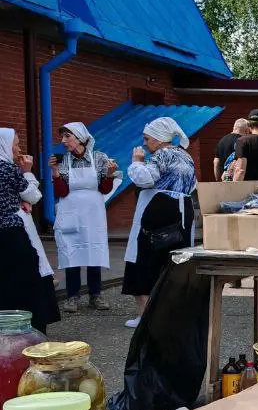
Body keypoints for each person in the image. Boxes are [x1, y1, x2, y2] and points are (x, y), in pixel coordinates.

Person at [122, 118, 196, 328]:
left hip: (158, 212)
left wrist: (137, 162)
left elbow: (146, 179)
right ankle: (171, 314)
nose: (144, 144)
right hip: (182, 213)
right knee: (173, 264)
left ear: (158, 138)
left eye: (147, 139)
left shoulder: (162, 154)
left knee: (141, 262)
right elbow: (192, 184)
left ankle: (146, 317)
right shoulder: (186, 155)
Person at [49, 122, 118, 312]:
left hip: (93, 213)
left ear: (80, 138)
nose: (63, 141)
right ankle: (72, 296)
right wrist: (55, 173)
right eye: (62, 137)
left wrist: (109, 175)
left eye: (67, 136)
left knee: (94, 252)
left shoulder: (99, 158)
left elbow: (104, 189)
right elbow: (61, 192)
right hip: (70, 210)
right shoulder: (63, 160)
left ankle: (95, 295)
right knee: (72, 251)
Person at [0, 128, 59, 332]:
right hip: (12, 233)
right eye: (15, 144)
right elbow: (33, 195)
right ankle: (31, 328)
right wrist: (27, 171)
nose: (18, 149)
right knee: (26, 280)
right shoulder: (7, 168)